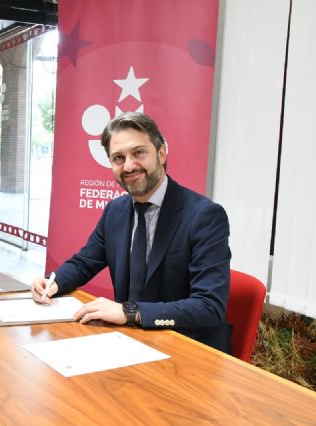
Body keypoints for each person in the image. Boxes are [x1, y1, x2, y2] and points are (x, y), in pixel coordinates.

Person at [31, 112, 232, 353]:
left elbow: (209, 307)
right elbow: (85, 262)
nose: (128, 166)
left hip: (188, 350)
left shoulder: (205, 216)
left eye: (138, 153)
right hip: (129, 344)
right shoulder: (115, 211)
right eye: (118, 158)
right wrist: (54, 282)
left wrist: (130, 312)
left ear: (161, 153)